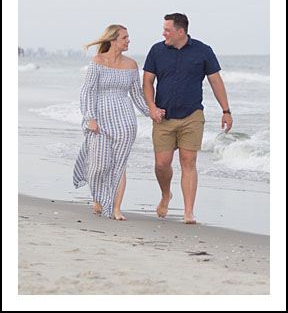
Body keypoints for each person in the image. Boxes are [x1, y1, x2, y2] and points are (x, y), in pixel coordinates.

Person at [143, 13, 233, 224]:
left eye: (167, 30)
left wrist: (226, 111)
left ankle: (188, 212)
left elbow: (215, 81)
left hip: (192, 115)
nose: (163, 33)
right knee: (161, 164)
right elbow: (147, 81)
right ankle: (166, 195)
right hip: (163, 117)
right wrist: (152, 107)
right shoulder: (157, 50)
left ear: (180, 31)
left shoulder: (203, 51)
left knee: (188, 162)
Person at [73, 24, 165, 220]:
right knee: (99, 165)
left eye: (128, 37)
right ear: (113, 40)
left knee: (119, 164)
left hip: (124, 119)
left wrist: (152, 111)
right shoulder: (98, 61)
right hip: (99, 118)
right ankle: (99, 196)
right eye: (124, 38)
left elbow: (137, 95)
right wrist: (90, 118)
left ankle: (115, 209)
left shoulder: (131, 65)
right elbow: (87, 91)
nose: (128, 41)